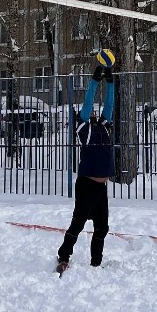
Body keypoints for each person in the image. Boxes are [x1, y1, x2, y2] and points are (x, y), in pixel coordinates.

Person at [56, 63, 116, 274]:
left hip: (101, 188)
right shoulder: (84, 129)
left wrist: (110, 83)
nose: (91, 114)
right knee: (78, 224)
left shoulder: (104, 127)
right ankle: (63, 256)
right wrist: (94, 80)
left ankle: (96, 263)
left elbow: (109, 106)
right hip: (86, 185)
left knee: (102, 228)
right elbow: (88, 104)